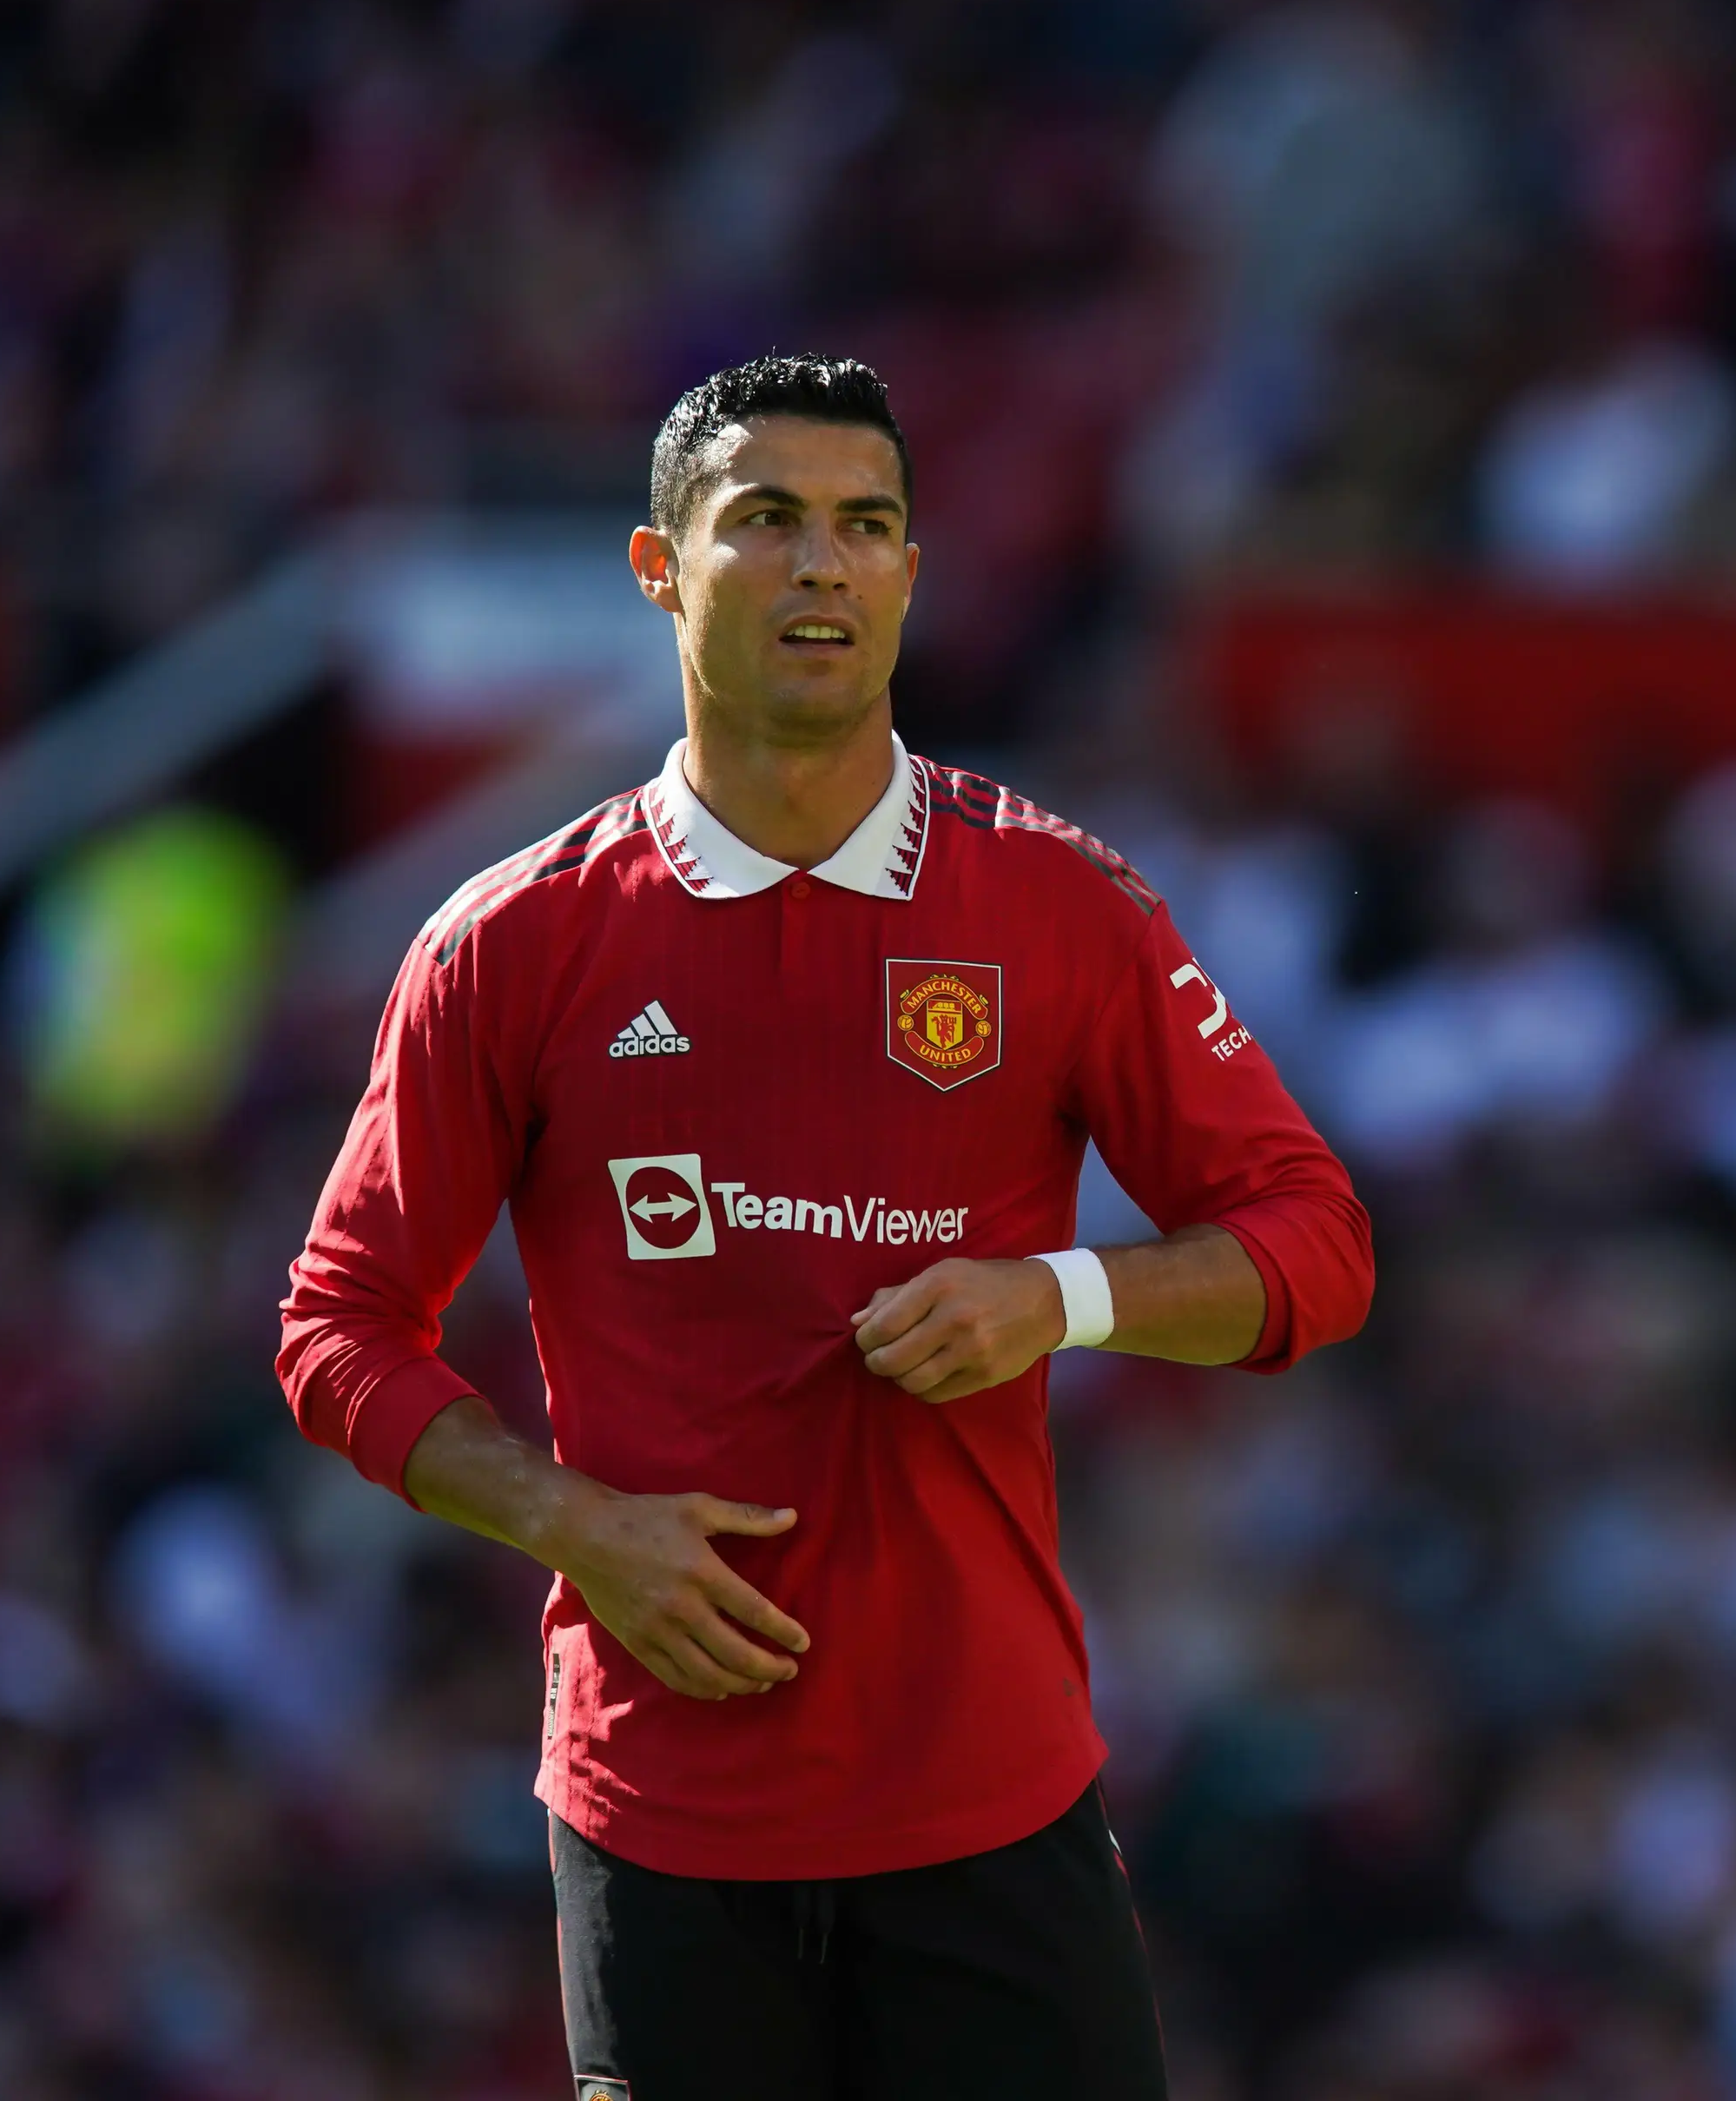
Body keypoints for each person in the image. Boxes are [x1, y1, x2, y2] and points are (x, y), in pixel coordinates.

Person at [277, 354, 1374, 2098]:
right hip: (665, 1814)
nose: (822, 567)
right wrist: (577, 1524)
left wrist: (1062, 1291)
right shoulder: (513, 943)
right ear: (659, 568)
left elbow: (1317, 1243)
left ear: (913, 575)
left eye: (867, 527)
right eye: (767, 521)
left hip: (990, 1791)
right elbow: (336, 1327)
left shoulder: (1059, 905)